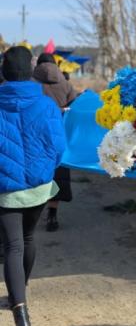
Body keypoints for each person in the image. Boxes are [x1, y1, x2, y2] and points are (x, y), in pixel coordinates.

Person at [0, 46, 65, 326]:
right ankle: (20, 291)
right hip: (39, 188)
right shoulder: (47, 106)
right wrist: (45, 170)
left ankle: (20, 311)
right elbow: (58, 148)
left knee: (12, 246)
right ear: (29, 71)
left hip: (5, 189)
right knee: (27, 240)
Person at [33, 53, 76, 231]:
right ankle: (52, 214)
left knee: (35, 174)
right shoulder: (66, 84)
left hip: (35, 136)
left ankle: (33, 213)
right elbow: (73, 109)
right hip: (59, 135)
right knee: (58, 174)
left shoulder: (31, 82)